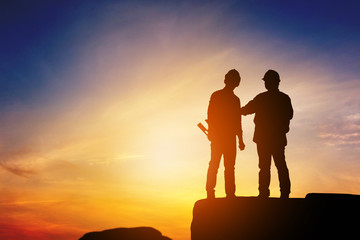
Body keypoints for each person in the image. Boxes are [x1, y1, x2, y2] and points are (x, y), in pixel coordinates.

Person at [241, 70, 293, 199]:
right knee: (276, 165)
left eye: (267, 81)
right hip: (272, 138)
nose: (267, 84)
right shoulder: (282, 98)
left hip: (267, 138)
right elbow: (247, 109)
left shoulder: (263, 98)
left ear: (274, 82)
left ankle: (266, 193)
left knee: (269, 166)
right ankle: (279, 193)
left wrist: (235, 111)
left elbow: (247, 110)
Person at [206, 69, 245, 199]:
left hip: (228, 138)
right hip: (220, 137)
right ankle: (211, 192)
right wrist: (211, 131)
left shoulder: (235, 100)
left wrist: (240, 140)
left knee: (227, 166)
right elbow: (210, 115)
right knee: (215, 164)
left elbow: (237, 121)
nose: (233, 83)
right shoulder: (217, 96)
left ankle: (229, 194)